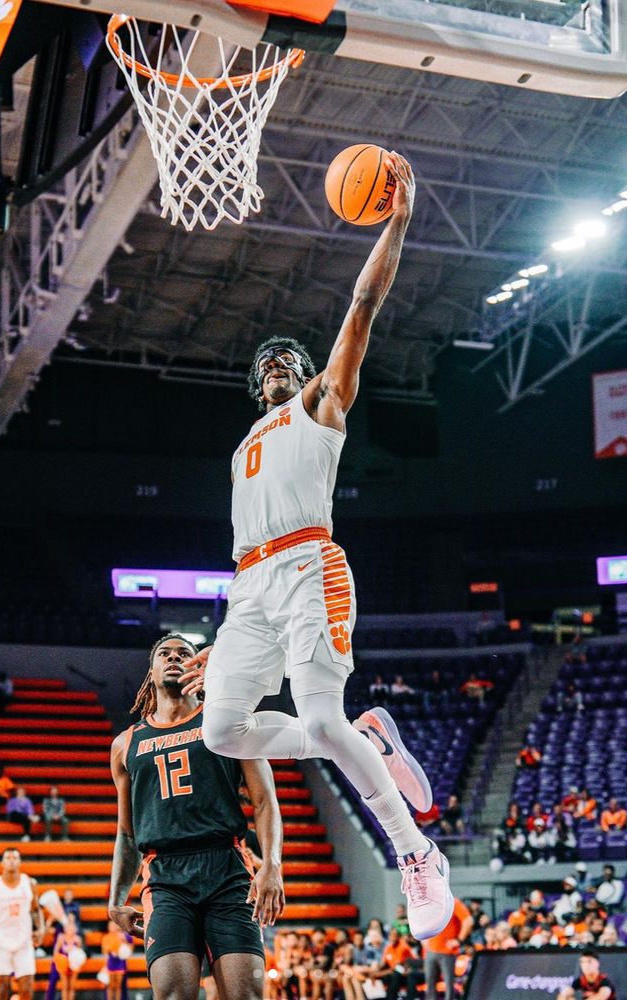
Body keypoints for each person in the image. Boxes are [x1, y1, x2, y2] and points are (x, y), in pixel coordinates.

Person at [179, 155, 452, 941]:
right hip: (249, 588)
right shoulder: (242, 448)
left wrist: (397, 222)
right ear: (252, 384)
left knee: (320, 719)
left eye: (288, 358)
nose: (276, 363)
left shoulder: (322, 403)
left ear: (306, 375)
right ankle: (365, 738)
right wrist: (224, 636)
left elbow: (364, 302)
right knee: (221, 730)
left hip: (308, 567)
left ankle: (415, 851)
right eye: (264, 362)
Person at [108, 633, 285, 1000]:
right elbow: (127, 833)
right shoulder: (126, 744)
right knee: (173, 994)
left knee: (247, 995)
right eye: (164, 653)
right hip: (166, 876)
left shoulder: (227, 721)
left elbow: (265, 801)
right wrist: (116, 899)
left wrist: (272, 864)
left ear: (197, 666)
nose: (174, 657)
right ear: (151, 671)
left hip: (228, 869)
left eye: (184, 653)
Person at [0, 847, 44, 1000]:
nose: (12, 861)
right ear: (2, 863)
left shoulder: (29, 883)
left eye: (15, 858)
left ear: (20, 862)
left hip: (24, 941)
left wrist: (41, 928)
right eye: (8, 858)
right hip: (0, 942)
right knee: (3, 990)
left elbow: (35, 909)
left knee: (26, 990)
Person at [422, 897, 473, 1000]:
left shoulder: (454, 903)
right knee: (430, 983)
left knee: (448, 984)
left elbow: (468, 921)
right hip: (431, 949)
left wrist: (459, 940)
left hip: (447, 951)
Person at [53, 913, 83, 1000]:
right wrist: (57, 961)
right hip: (64, 963)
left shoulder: (77, 939)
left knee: (72, 986)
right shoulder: (61, 938)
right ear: (65, 929)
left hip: (73, 964)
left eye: (72, 929)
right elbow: (56, 951)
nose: (71, 930)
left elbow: (80, 953)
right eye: (69, 928)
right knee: (65, 986)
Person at [101, 921, 132, 1000]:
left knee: (118, 986)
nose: (112, 928)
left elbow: (127, 949)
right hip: (110, 962)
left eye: (113, 926)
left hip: (119, 962)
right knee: (110, 986)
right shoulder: (106, 937)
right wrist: (105, 966)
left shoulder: (121, 936)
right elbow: (105, 952)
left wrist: (123, 940)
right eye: (110, 926)